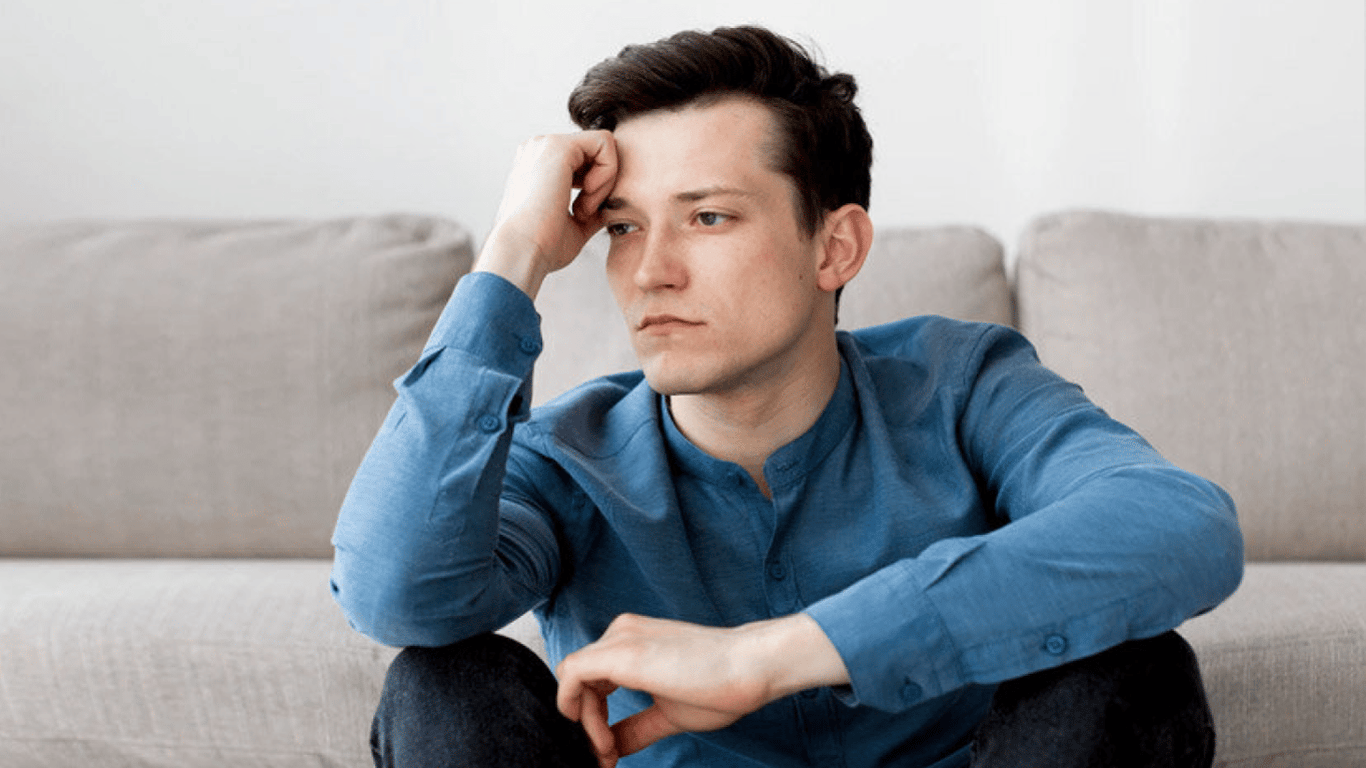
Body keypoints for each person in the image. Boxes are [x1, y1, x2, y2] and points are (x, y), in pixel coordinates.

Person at [330, 25, 1243, 768]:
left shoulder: (961, 384)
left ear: (834, 248)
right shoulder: (567, 457)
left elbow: (1177, 524)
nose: (650, 272)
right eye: (623, 228)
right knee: (442, 684)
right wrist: (514, 251)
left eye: (707, 216)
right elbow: (396, 597)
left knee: (1136, 668)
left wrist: (772, 655)